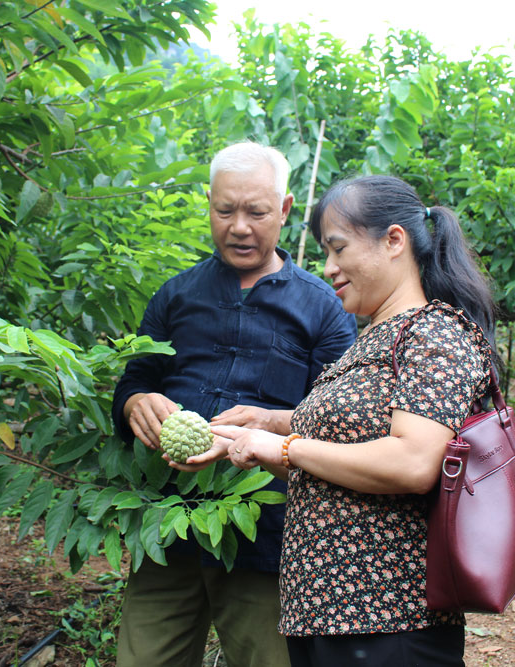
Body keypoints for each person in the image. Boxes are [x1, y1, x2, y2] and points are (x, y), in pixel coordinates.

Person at [207, 175, 499, 666]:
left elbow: (412, 462)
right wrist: (256, 434)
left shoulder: (433, 332)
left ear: (393, 241)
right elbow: (336, 464)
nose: (329, 267)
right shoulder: (372, 339)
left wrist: (281, 445)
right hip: (325, 612)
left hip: (387, 616)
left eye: (338, 248)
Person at [110, 142, 358, 667]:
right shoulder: (176, 296)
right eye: (224, 211)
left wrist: (272, 423)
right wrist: (135, 402)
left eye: (256, 212)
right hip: (167, 521)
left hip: (263, 533)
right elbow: (135, 379)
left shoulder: (324, 309)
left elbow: (339, 420)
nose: (239, 227)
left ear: (286, 210)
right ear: (209, 204)